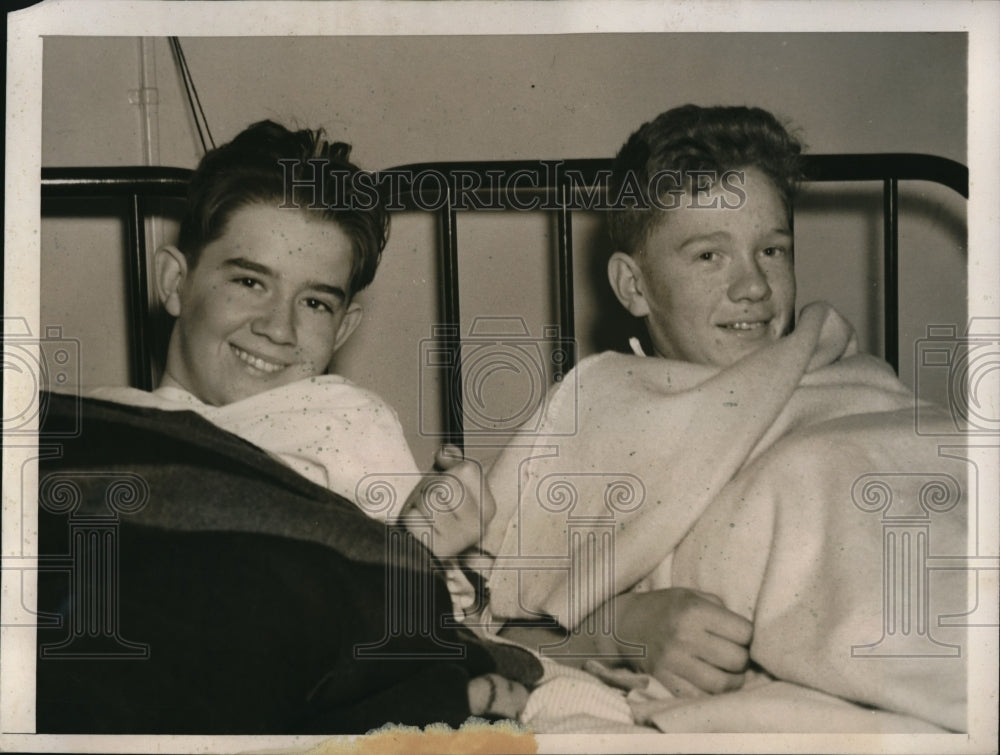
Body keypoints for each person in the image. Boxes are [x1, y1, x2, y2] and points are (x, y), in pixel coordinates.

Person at [481, 105, 868, 697]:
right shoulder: (601, 409)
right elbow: (498, 635)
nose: (755, 287)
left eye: (772, 250)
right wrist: (621, 629)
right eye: (710, 256)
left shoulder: (846, 371)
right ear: (634, 286)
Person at [88, 120, 484, 554]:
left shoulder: (348, 424)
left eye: (315, 303)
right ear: (174, 281)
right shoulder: (97, 425)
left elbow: (405, 588)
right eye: (249, 282)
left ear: (342, 329)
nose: (279, 329)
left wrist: (433, 552)